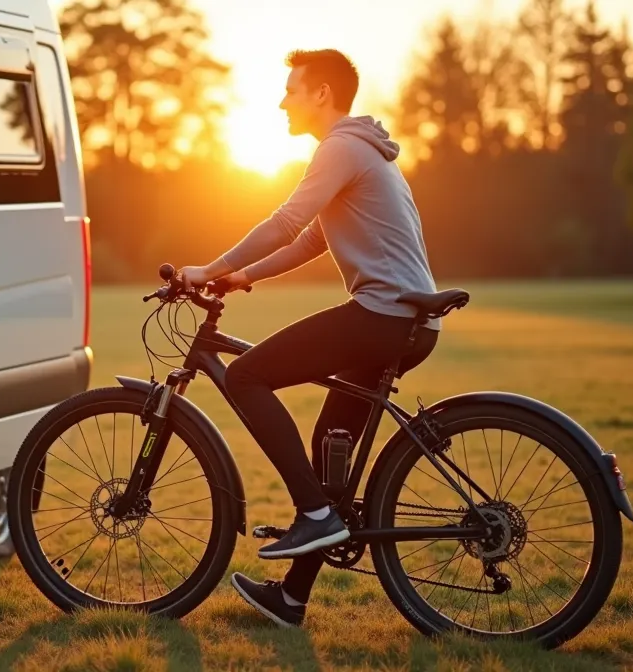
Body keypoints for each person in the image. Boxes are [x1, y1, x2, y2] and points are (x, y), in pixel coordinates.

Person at [176, 48, 443, 628]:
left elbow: (285, 222)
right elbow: (312, 241)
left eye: (292, 90)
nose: (282, 101)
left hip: (383, 318)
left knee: (246, 376)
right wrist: (242, 275)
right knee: (331, 448)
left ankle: (317, 513)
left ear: (322, 93)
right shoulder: (361, 151)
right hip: (407, 321)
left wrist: (208, 266)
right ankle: (292, 598)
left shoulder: (340, 147)